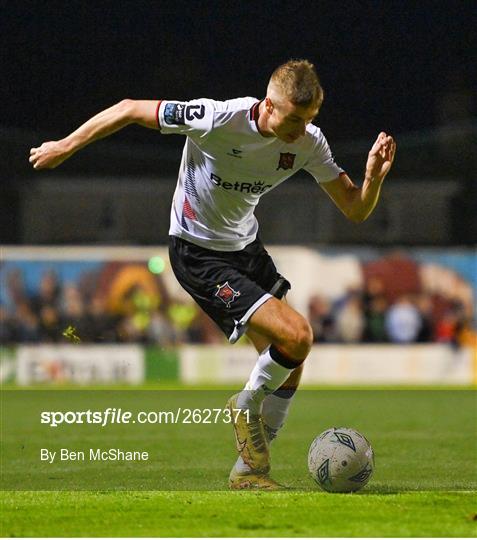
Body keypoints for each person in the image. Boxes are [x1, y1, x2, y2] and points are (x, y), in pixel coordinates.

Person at [29, 59, 396, 490]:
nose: (302, 130)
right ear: (268, 106)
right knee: (298, 336)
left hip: (245, 248)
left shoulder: (309, 143)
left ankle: (249, 471)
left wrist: (372, 179)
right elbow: (129, 108)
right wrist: (64, 146)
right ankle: (245, 406)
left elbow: (355, 209)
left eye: (310, 119)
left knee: (291, 364)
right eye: (295, 119)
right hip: (197, 252)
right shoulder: (218, 118)